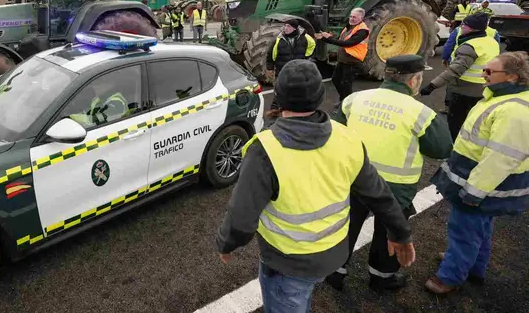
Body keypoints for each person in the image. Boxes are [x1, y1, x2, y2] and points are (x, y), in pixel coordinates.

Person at [216, 60, 415, 313]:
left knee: (290, 301)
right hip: (334, 253)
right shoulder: (347, 137)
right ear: (320, 97)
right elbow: (379, 194)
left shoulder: (264, 150)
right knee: (302, 295)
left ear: (279, 98)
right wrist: (400, 233)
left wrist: (226, 244)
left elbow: (241, 216)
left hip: (287, 263)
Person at [326, 55, 453, 291]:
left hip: (353, 179)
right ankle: (382, 276)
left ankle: (335, 271)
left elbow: (335, 133)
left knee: (345, 225)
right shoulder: (421, 113)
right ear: (414, 80)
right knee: (389, 231)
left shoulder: (355, 99)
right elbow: (441, 148)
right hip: (395, 188)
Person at [426, 51, 529, 294]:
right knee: (479, 227)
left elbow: (500, 159)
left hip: (482, 184)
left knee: (464, 230)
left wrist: (474, 192)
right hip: (481, 180)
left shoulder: (513, 111)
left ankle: (450, 277)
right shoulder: (501, 98)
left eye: (489, 71)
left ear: (512, 77)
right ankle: (473, 266)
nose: (483, 74)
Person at [420, 13, 500, 140]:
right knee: (474, 121)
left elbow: (454, 70)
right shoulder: (492, 42)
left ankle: (455, 146)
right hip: (483, 89)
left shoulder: (470, 47)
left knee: (456, 123)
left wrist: (431, 86)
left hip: (464, 91)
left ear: (472, 29)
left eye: (464, 25)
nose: (461, 26)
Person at [317, 7, 371, 102]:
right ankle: (343, 99)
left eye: (354, 17)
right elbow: (340, 39)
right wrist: (325, 37)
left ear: (361, 18)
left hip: (352, 62)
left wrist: (329, 39)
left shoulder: (362, 31)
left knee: (346, 84)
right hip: (343, 60)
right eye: (351, 16)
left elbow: (348, 43)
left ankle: (346, 103)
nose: (351, 19)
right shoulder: (349, 26)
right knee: (336, 80)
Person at [264, 19, 316, 118]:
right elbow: (270, 54)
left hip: (298, 70)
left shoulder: (305, 38)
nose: (285, 28)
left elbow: (312, 45)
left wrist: (306, 57)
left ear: (294, 28)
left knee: (297, 90)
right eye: (285, 26)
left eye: (288, 26)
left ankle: (297, 110)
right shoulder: (279, 39)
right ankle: (274, 110)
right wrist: (269, 68)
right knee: (279, 90)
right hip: (282, 70)